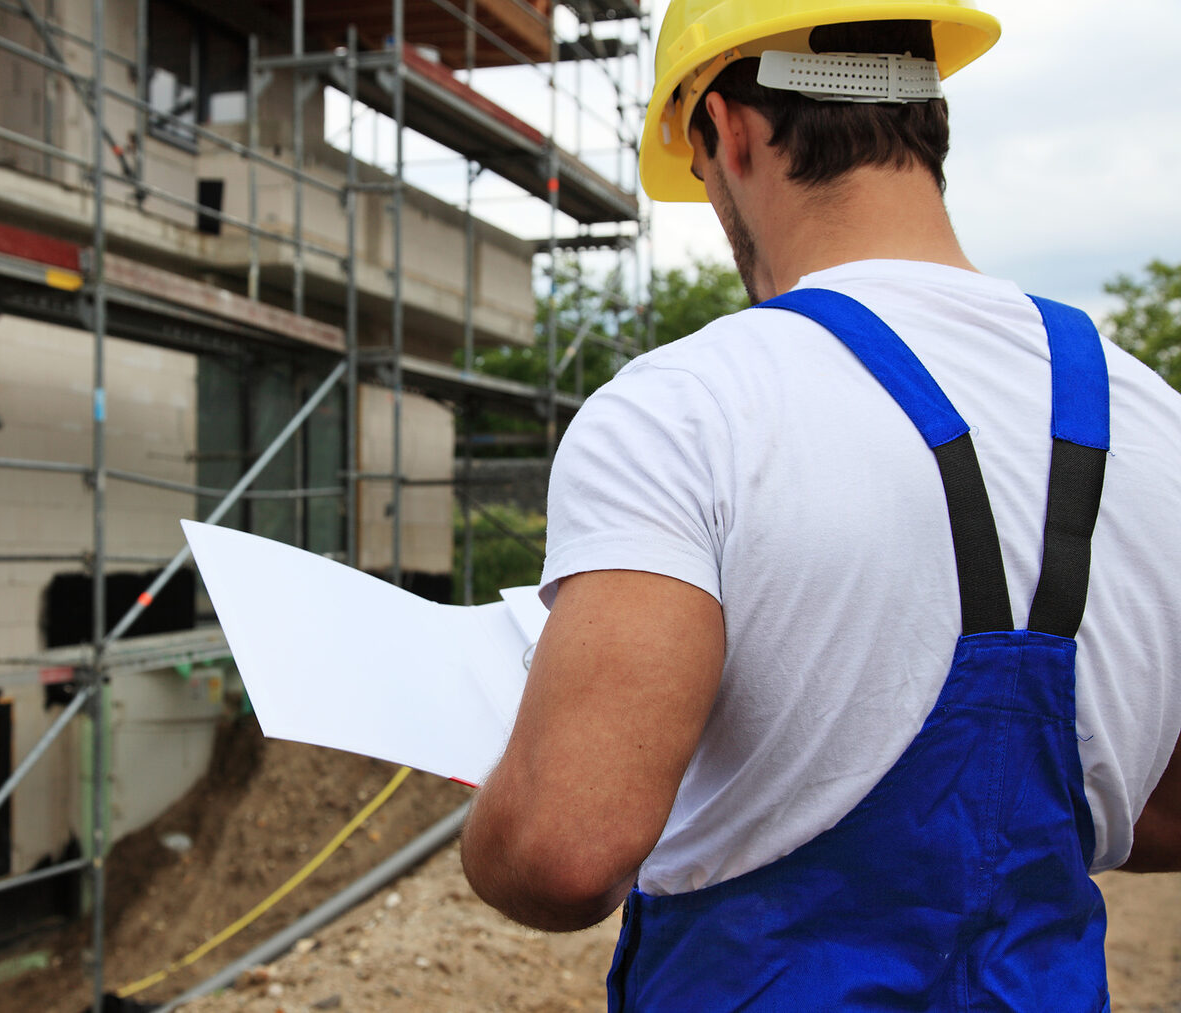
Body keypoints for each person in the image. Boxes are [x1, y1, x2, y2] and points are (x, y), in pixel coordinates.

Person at [459, 1, 1181, 1008]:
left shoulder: (684, 409)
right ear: (929, 120)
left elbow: (560, 852)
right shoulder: (1156, 421)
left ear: (727, 129)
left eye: (699, 166)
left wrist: (506, 796)